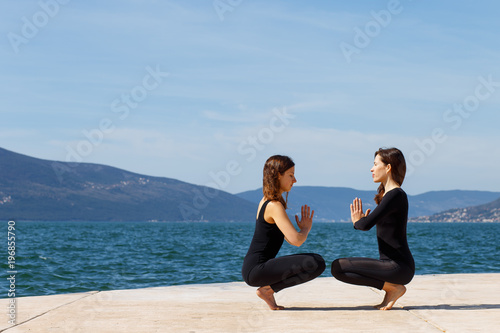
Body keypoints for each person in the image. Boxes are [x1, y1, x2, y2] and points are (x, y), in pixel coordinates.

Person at [331, 147, 415, 310]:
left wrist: (357, 220)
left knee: (338, 266)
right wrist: (362, 221)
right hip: (393, 266)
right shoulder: (389, 196)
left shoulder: (395, 195)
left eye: (376, 164)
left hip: (399, 266)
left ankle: (393, 288)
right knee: (339, 268)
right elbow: (367, 222)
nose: (372, 168)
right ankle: (391, 288)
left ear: (388, 167)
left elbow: (364, 225)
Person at [241, 155, 326, 310]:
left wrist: (298, 230)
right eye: (291, 175)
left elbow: (285, 237)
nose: (295, 180)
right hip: (256, 270)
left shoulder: (267, 201)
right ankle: (268, 290)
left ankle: (268, 290)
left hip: (253, 268)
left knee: (315, 261)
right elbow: (296, 241)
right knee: (316, 263)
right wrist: (306, 228)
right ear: (278, 175)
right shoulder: (274, 205)